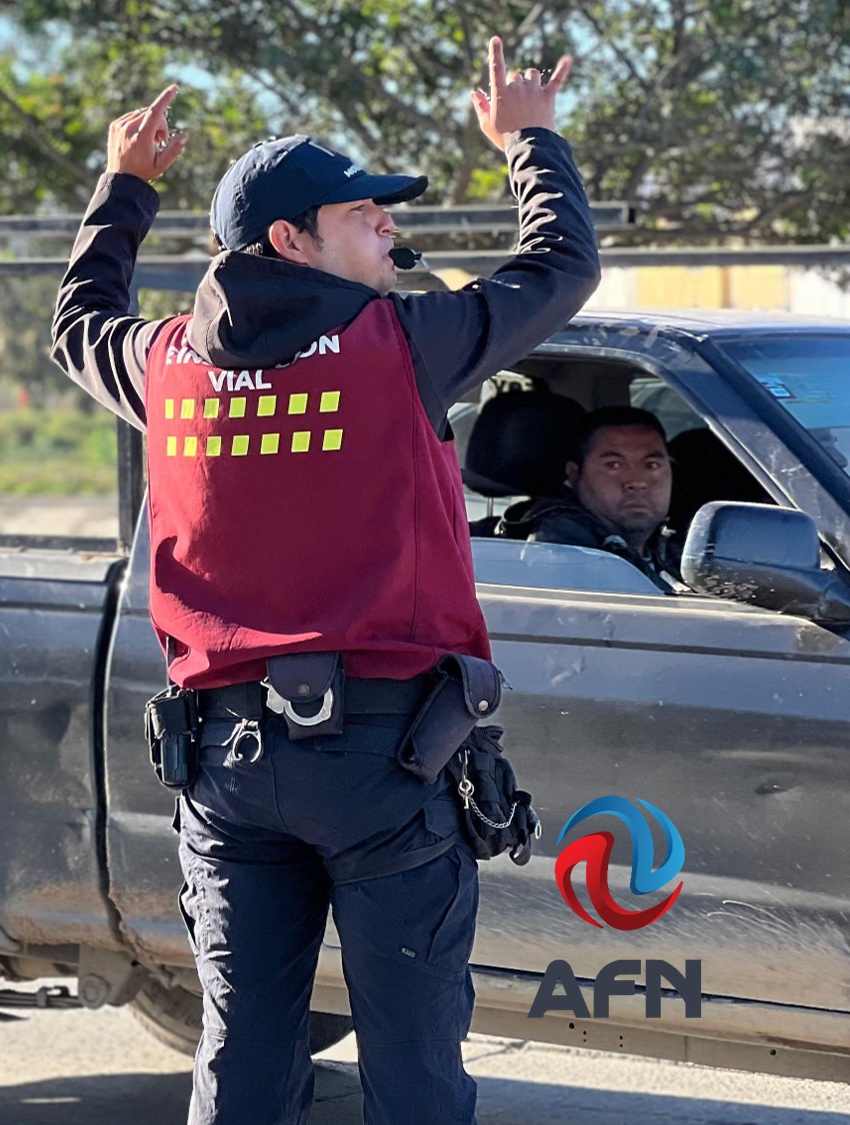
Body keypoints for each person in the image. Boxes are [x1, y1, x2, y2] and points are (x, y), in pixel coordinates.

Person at [49, 36, 597, 1125]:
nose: (388, 226)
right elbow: (557, 267)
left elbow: (72, 325)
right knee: (413, 1075)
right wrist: (527, 138)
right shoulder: (400, 343)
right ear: (288, 241)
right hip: (383, 768)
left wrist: (123, 188)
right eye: (362, 216)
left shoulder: (165, 364)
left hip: (225, 771)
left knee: (242, 1065)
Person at [497, 406, 684, 590]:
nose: (636, 481)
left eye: (651, 465)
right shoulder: (562, 548)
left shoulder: (674, 551)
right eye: (613, 465)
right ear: (574, 474)